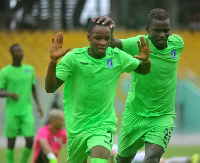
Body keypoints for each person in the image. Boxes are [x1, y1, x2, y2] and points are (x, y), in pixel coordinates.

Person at [45, 19, 151, 163]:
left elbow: (143, 70)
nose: (103, 42)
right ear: (88, 37)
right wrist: (52, 62)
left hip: (103, 123)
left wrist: (146, 61)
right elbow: (50, 88)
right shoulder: (74, 58)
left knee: (99, 159)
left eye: (107, 38)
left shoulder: (117, 56)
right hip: (77, 126)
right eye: (98, 38)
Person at [93, 8, 184, 163]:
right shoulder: (138, 43)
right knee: (122, 159)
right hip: (135, 114)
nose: (163, 35)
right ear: (148, 29)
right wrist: (110, 31)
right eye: (157, 31)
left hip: (163, 116)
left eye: (166, 30)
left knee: (152, 157)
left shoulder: (177, 44)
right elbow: (113, 44)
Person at [0, 44, 43, 163]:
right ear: (12, 54)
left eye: (21, 50)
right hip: (12, 112)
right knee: (11, 141)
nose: (21, 53)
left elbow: (34, 88)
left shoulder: (29, 69)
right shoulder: (5, 71)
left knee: (30, 139)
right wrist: (9, 94)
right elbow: (0, 91)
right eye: (17, 51)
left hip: (26, 111)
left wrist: (39, 105)